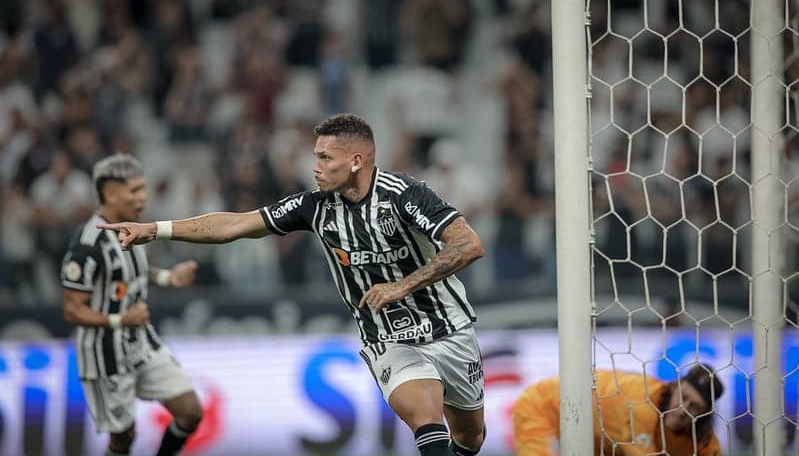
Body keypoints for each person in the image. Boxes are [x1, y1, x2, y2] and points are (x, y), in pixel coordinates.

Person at [98, 114, 487, 456]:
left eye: (324, 158)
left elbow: (468, 244)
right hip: (387, 337)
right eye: (315, 156)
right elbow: (233, 225)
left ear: (356, 161)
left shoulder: (404, 195)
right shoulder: (315, 206)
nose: (314, 166)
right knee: (425, 418)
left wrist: (403, 285)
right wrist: (156, 229)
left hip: (449, 328)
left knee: (471, 436)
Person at [62, 153, 203, 456]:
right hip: (105, 354)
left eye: (143, 189)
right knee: (123, 438)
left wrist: (168, 278)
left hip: (140, 342)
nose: (144, 197)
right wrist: (119, 320)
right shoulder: (88, 244)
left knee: (190, 410)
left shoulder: (133, 229)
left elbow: (129, 276)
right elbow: (72, 308)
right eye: (135, 190)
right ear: (110, 193)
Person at [512, 364, 724, 456]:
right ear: (673, 386)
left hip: (599, 437)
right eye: (683, 397)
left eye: (694, 407)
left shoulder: (702, 439)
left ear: (705, 414)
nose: (682, 410)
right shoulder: (640, 405)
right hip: (543, 406)